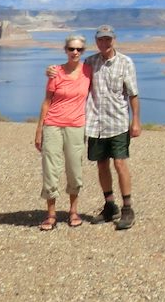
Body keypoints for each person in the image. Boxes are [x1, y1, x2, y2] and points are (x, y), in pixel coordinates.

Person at [49, 24, 141, 230]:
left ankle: (127, 208)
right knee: (101, 164)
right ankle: (110, 206)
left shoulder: (126, 62)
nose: (105, 43)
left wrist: (136, 121)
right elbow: (69, 70)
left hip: (118, 122)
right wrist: (52, 70)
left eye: (108, 39)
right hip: (96, 124)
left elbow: (133, 94)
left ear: (113, 40)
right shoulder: (89, 63)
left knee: (120, 163)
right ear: (96, 42)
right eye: (101, 40)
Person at [34, 34, 90, 231]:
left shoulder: (89, 71)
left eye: (79, 49)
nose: (75, 52)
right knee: (51, 168)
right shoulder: (55, 72)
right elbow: (47, 102)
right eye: (71, 49)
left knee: (75, 169)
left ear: (83, 51)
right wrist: (39, 129)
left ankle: (73, 211)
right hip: (53, 125)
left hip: (76, 126)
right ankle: (51, 215)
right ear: (65, 50)